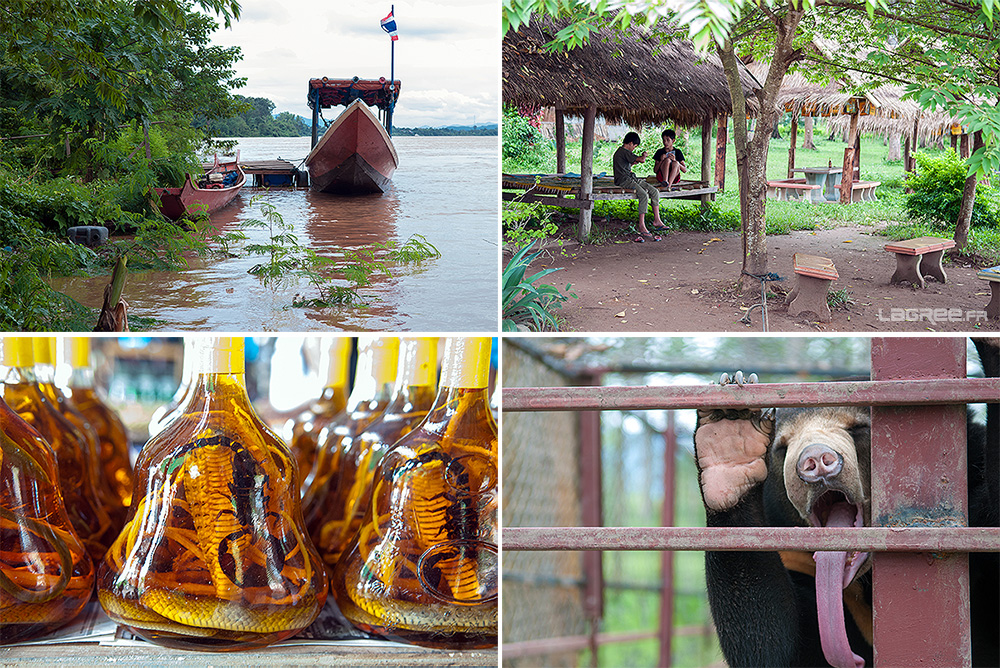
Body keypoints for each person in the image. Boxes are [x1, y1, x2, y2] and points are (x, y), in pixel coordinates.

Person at [612, 131, 665, 242]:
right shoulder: (623, 151)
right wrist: (644, 156)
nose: (634, 149)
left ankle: (657, 220)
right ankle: (641, 225)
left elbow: (627, 164)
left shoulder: (622, 153)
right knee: (643, 194)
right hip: (624, 180)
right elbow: (641, 160)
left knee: (654, 191)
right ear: (630, 143)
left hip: (631, 178)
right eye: (634, 146)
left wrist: (633, 163)